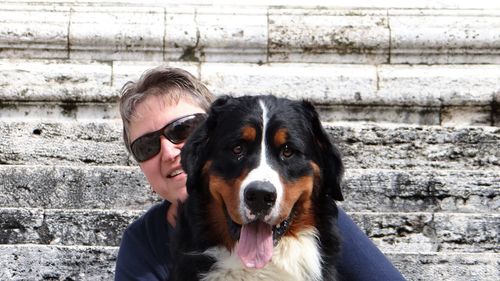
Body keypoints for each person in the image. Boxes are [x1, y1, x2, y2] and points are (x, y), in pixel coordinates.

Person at [114, 66, 405, 281]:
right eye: (147, 145)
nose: (169, 152)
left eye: (183, 129)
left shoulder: (317, 219)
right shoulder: (143, 242)